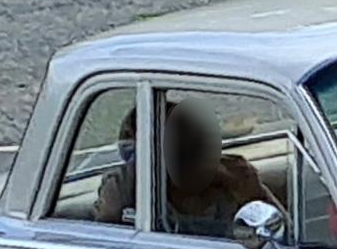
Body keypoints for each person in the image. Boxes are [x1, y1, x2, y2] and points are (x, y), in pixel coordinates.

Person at [94, 101, 280, 237]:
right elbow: (105, 234)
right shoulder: (132, 190)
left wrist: (246, 191)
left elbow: (282, 233)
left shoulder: (235, 177)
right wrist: (137, 169)